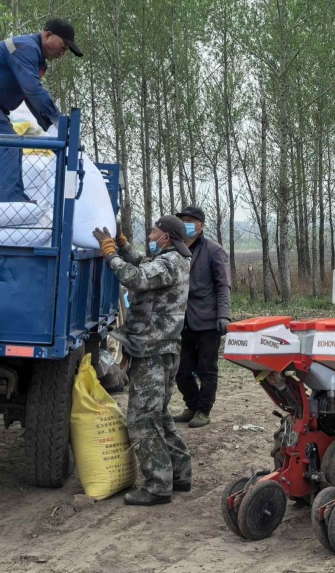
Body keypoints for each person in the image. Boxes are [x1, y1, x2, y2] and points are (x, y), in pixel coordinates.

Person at [95, 215, 192, 506]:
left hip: (151, 350)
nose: (151, 234)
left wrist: (110, 254)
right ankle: (179, 473)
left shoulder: (168, 262)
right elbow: (144, 265)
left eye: (154, 231)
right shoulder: (174, 259)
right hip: (164, 348)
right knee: (159, 415)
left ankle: (158, 485)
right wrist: (124, 246)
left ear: (166, 237)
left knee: (142, 420)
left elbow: (135, 277)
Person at [0, 18, 83, 202]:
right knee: (6, 143)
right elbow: (33, 89)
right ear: (48, 34)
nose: (63, 51)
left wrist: (49, 126)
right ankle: (9, 203)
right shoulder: (26, 48)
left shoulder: (34, 55)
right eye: (64, 45)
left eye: (67, 49)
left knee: (12, 143)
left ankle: (15, 198)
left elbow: (29, 96)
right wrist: (58, 119)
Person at [172, 206, 231, 429]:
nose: (186, 224)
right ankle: (192, 405)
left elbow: (223, 286)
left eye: (190, 220)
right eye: (183, 220)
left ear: (201, 225)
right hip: (181, 319)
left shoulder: (214, 251)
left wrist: (224, 315)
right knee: (181, 368)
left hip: (207, 319)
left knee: (206, 367)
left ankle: (204, 411)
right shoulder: (175, 249)